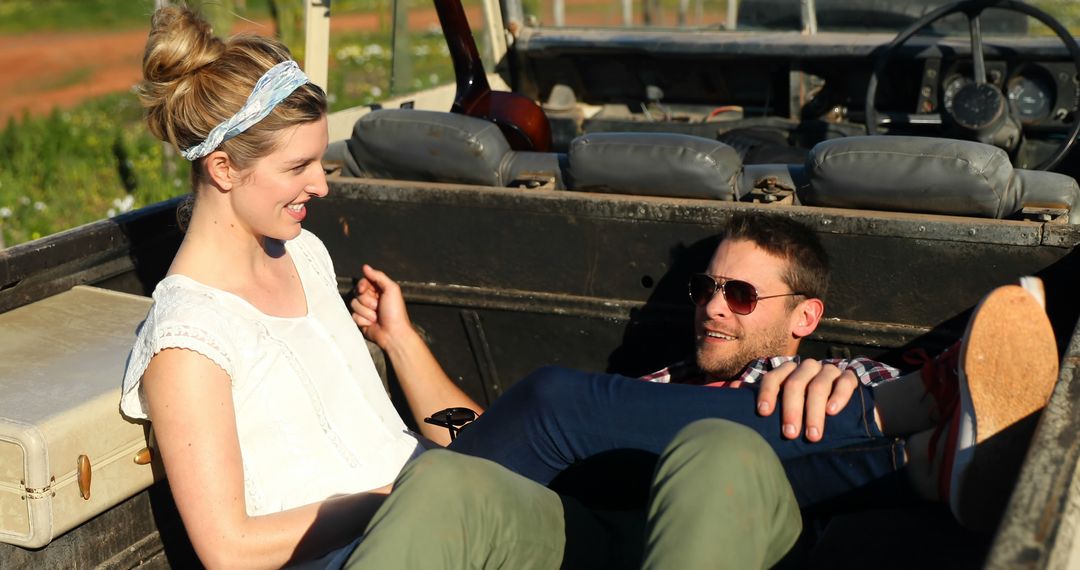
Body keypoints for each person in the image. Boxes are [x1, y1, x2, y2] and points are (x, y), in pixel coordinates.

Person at [120, 6, 803, 569]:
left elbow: (395, 443)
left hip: (455, 513)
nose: (323, 186)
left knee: (723, 449)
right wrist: (403, 494)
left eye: (322, 161)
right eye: (299, 167)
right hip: (390, 539)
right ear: (222, 169)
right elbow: (228, 550)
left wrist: (405, 351)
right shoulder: (189, 336)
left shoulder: (302, 254)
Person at [437, 213, 1059, 531]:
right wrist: (403, 340)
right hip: (594, 519)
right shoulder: (655, 387)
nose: (711, 305)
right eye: (706, 288)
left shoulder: (843, 374)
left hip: (752, 531)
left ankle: (922, 445)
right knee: (552, 399)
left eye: (739, 294)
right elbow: (494, 441)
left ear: (805, 316)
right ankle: (919, 428)